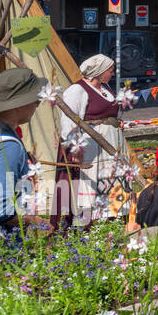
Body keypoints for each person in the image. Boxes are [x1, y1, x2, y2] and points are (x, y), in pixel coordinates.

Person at [59, 54, 127, 222]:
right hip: (93, 147)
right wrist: (75, 149)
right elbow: (68, 122)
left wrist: (115, 122)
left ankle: (113, 216)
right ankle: (93, 222)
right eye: (110, 71)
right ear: (99, 71)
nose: (112, 74)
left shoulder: (105, 88)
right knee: (94, 182)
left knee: (112, 179)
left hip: (112, 146)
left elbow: (110, 113)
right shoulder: (77, 90)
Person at [0, 67, 45, 233]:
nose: (37, 104)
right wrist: (36, 221)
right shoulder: (8, 146)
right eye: (36, 99)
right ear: (19, 105)